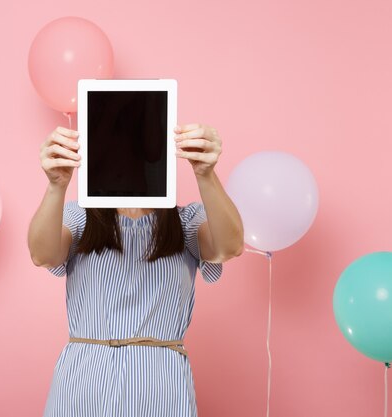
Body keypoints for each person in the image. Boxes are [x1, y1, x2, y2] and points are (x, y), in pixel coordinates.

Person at [28, 123, 244, 417]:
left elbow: (228, 246)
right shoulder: (79, 216)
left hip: (161, 392)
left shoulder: (185, 221)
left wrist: (205, 173)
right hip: (82, 388)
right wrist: (56, 185)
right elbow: (43, 254)